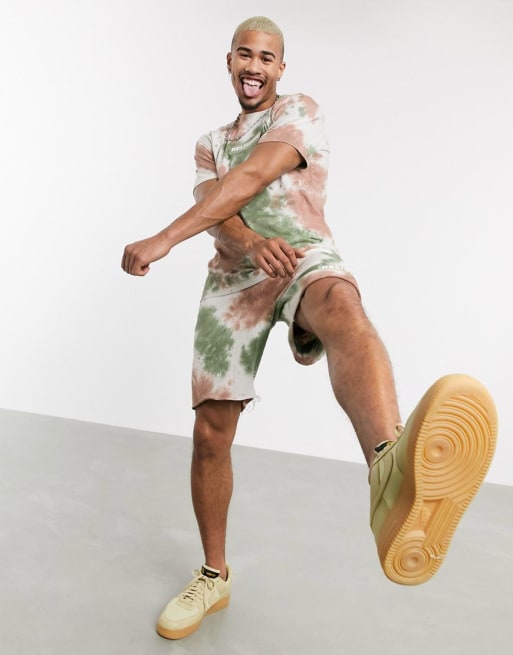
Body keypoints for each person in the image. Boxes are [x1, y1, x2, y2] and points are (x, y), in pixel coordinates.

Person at [121, 16, 497, 641]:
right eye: (245, 55)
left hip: (301, 255)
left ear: (281, 68)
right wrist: (249, 242)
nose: (254, 67)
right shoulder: (209, 143)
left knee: (343, 308)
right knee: (211, 432)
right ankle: (214, 576)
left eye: (266, 58)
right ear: (228, 61)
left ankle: (389, 473)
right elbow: (218, 207)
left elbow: (252, 178)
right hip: (234, 279)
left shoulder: (299, 111)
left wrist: (163, 239)